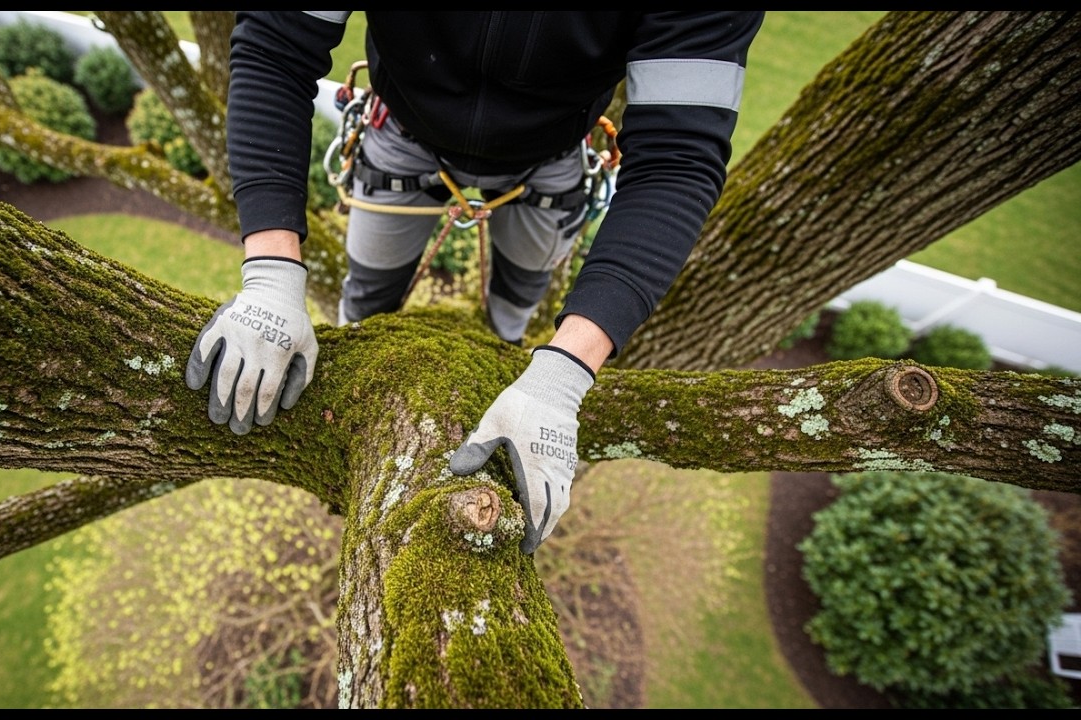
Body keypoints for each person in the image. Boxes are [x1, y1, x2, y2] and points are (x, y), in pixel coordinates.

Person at [186, 11, 766, 554]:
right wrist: (271, 272)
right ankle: (359, 352)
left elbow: (678, 156)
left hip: (552, 158)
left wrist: (562, 379)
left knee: (517, 299)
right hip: (402, 131)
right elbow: (275, 43)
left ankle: (510, 345)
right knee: (365, 297)